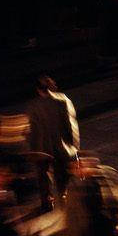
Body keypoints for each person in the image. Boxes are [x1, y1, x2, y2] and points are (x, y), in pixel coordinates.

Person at [27, 75, 79, 216]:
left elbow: (33, 130)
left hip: (42, 148)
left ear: (38, 90)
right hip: (61, 147)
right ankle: (66, 206)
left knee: (44, 178)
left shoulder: (33, 105)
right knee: (62, 179)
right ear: (52, 87)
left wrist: (33, 150)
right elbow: (70, 126)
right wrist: (74, 146)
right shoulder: (62, 101)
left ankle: (47, 203)